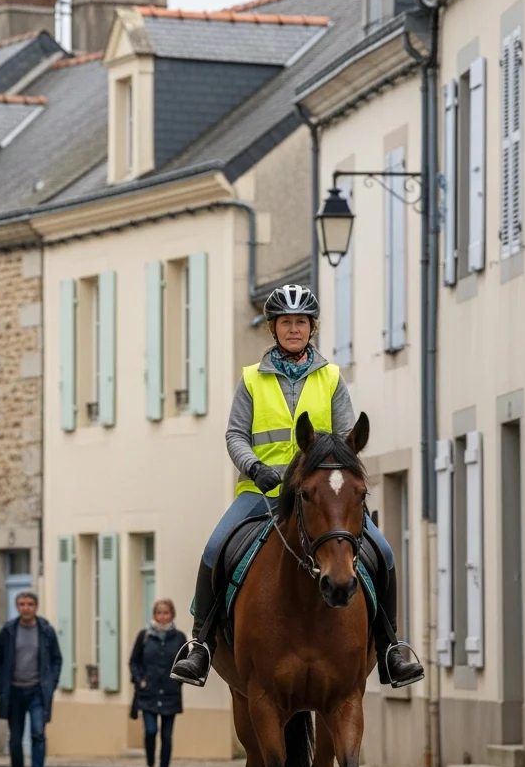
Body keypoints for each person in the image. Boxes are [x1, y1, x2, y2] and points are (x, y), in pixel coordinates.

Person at [170, 284, 424, 691]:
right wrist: (254, 467)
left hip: (320, 496)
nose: (293, 329)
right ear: (273, 328)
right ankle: (199, 644)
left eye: (300, 323)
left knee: (385, 551)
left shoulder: (331, 377)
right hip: (262, 493)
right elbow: (236, 434)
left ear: (312, 328)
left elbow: (344, 436)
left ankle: (391, 646)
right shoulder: (252, 380)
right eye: (286, 322)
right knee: (216, 547)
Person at [0, 591, 63, 767]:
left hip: (37, 692)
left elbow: (57, 659)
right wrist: (1, 685)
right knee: (15, 739)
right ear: (17, 607)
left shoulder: (46, 631)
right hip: (14, 691)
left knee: (38, 734)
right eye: (22, 604)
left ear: (36, 607)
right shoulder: (8, 631)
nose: (26, 608)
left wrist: (51, 683)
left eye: (30, 604)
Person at [130, 598, 187, 767]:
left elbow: (185, 662)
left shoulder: (179, 638)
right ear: (154, 615)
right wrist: (140, 681)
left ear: (172, 615)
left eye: (166, 613)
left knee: (167, 737)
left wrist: (178, 681)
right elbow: (134, 661)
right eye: (159, 613)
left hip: (170, 693)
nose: (162, 617)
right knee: (151, 731)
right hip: (148, 693)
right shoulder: (144, 636)